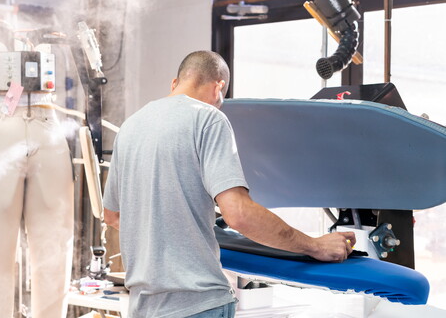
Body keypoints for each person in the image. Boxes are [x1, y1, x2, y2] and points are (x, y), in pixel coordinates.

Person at [103, 50, 355, 318]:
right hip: (198, 305)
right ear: (218, 87)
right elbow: (238, 214)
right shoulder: (208, 118)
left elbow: (113, 214)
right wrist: (315, 245)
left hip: (142, 308)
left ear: (174, 83)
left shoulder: (130, 126)